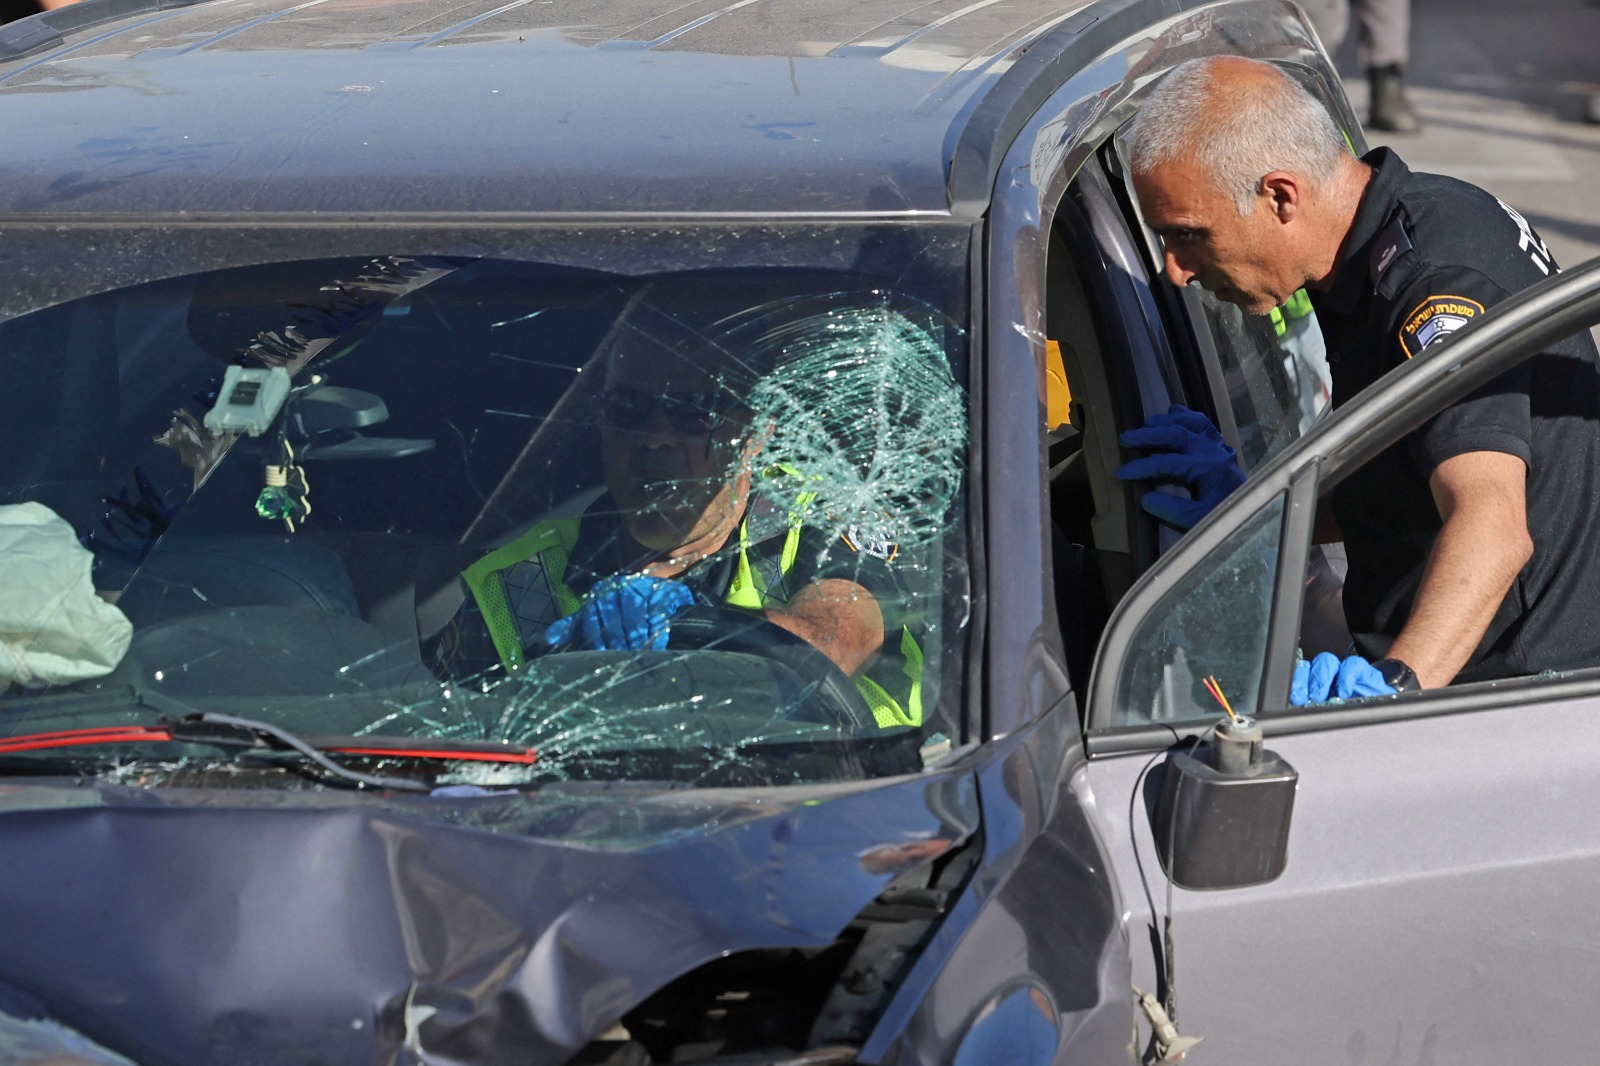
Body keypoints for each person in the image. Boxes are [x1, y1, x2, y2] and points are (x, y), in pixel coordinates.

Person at [1118, 55, 1600, 703]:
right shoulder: (1410, 221)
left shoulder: (1431, 289)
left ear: (1280, 195)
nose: (1176, 270)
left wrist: (1393, 688)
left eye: (1187, 235)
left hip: (1509, 695)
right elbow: (1404, 472)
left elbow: (1492, 524)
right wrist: (1255, 511)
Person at [432, 287, 928, 729]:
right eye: (628, 411)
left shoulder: (826, 514)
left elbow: (839, 639)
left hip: (835, 818)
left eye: (695, 412)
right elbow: (456, 755)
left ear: (757, 429)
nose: (653, 439)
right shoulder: (516, 585)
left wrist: (697, 626)